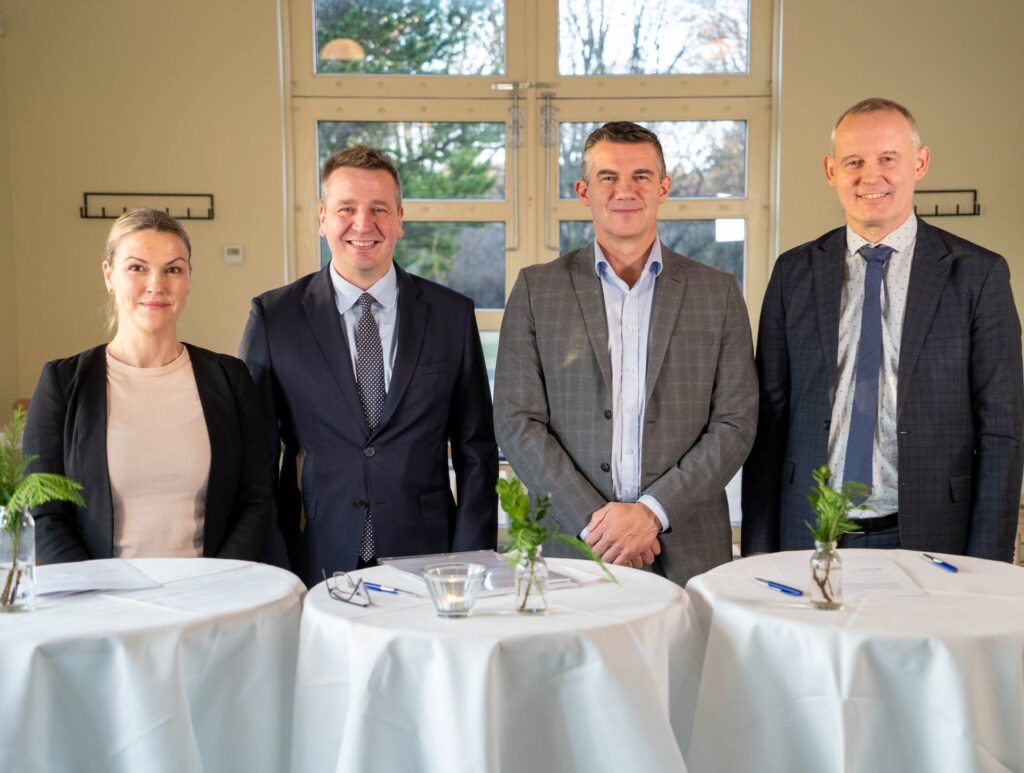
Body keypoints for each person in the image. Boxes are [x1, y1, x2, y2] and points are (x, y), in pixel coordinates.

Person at [741, 98, 1024, 560]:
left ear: (920, 162)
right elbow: (767, 420)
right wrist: (759, 548)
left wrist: (988, 560)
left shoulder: (978, 275)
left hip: (935, 533)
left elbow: (1002, 431)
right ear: (831, 170)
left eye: (888, 159)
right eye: (854, 162)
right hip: (809, 530)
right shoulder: (793, 273)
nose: (870, 177)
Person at [493, 122, 757, 586]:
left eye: (641, 176)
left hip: (688, 548)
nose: (625, 191)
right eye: (608, 177)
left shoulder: (717, 292)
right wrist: (598, 525)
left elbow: (735, 423)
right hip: (573, 546)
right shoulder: (537, 289)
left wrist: (652, 513)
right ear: (584, 191)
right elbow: (517, 421)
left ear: (663, 188)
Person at [241, 144, 498, 587]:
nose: (363, 224)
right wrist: (273, 564)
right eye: (346, 209)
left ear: (400, 219)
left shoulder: (451, 315)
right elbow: (255, 459)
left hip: (428, 559)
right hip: (312, 554)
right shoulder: (274, 317)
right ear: (322, 218)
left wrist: (470, 561)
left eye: (379, 208)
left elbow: (476, 453)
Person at [24, 208, 271, 562]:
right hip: (100, 593)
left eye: (173, 269)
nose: (156, 284)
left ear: (188, 279)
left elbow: (255, 498)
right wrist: (95, 589)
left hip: (213, 588)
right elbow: (46, 512)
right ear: (109, 275)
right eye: (137, 268)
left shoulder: (230, 378)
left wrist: (218, 581)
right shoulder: (61, 384)